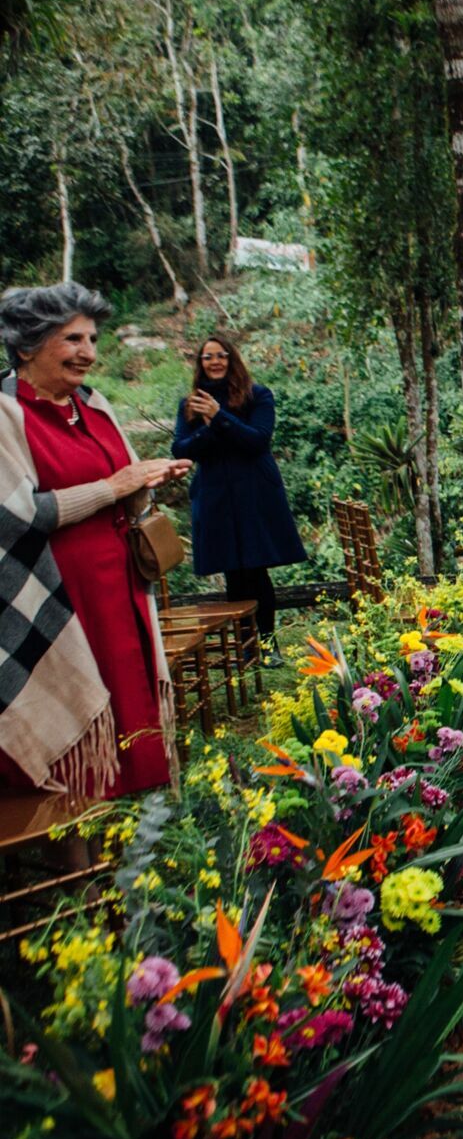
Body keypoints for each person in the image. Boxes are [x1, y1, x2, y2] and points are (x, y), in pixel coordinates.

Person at [0, 283, 190, 796]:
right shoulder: (5, 414)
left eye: (92, 338)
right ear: (26, 346)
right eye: (73, 339)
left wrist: (147, 479)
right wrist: (113, 487)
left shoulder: (93, 403)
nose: (89, 352)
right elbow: (16, 514)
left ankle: (136, 825)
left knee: (128, 690)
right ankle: (76, 847)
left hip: (117, 583)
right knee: (76, 702)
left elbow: (122, 486)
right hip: (57, 591)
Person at [172, 334, 307, 663]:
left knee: (257, 570)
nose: (215, 362)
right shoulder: (190, 404)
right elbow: (181, 449)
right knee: (233, 571)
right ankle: (247, 647)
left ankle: (267, 644)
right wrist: (208, 427)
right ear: (200, 363)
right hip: (216, 495)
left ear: (232, 360)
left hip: (254, 493)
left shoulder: (257, 395)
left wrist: (219, 417)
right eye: (208, 357)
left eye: (221, 355)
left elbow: (257, 440)